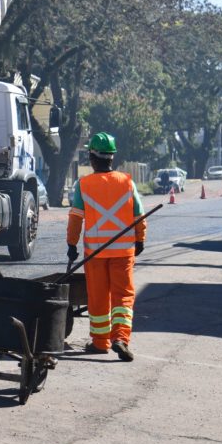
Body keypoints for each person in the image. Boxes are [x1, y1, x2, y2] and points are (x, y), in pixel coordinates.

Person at [67, 132, 145, 361]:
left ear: (92, 158)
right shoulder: (127, 181)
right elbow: (139, 214)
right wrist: (140, 239)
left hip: (96, 253)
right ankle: (120, 338)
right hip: (123, 252)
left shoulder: (84, 185)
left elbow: (76, 218)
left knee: (98, 297)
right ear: (112, 157)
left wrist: (72, 244)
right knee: (123, 297)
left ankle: (100, 342)